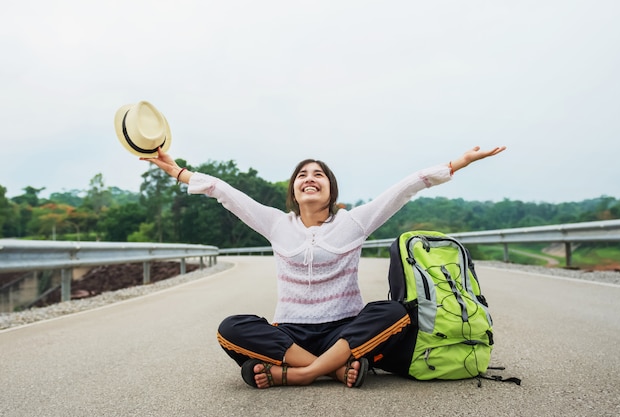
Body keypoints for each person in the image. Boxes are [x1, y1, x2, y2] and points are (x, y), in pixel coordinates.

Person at [143, 145, 506, 389]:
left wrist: (458, 163)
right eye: (302, 175)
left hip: (343, 328)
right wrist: (178, 172)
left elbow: (405, 188)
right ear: (294, 191)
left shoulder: (354, 222)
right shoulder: (275, 224)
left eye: (319, 174)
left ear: (331, 189)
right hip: (291, 333)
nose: (310, 178)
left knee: (393, 312)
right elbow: (224, 192)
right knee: (232, 327)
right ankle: (334, 368)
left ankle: (299, 375)